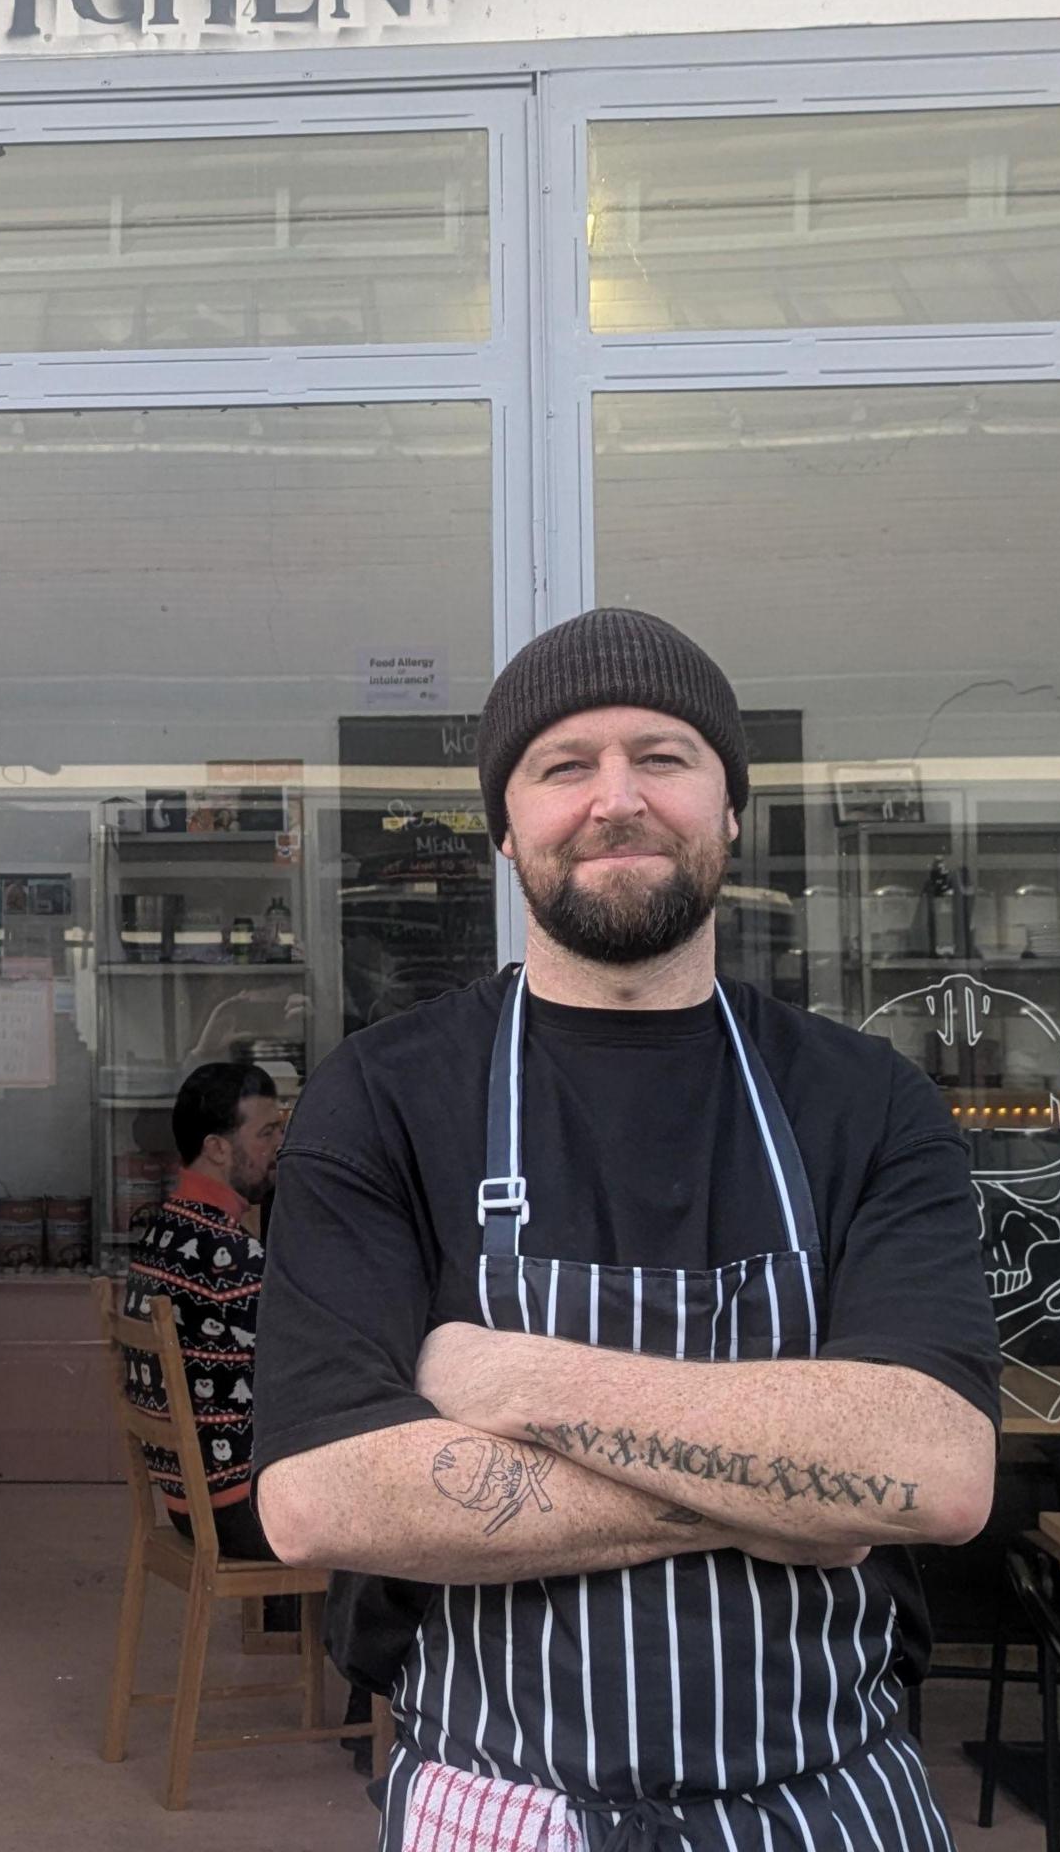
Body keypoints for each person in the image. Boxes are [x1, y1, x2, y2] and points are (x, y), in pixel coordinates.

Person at [251, 609, 1000, 1849]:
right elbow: (321, 1502)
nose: (617, 799)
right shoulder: (385, 1098)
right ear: (505, 828)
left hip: (827, 1799)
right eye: (564, 766)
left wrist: (508, 1374)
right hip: (497, 1802)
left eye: (663, 757)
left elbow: (938, 1467)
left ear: (729, 810)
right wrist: (811, 1492)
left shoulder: (865, 1100)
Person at [123, 1060, 291, 1559]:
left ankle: (309, 1635)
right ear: (217, 1148)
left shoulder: (162, 1232)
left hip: (189, 1503)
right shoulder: (233, 1259)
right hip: (240, 1512)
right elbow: (315, 1367)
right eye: (266, 1132)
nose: (280, 1145)